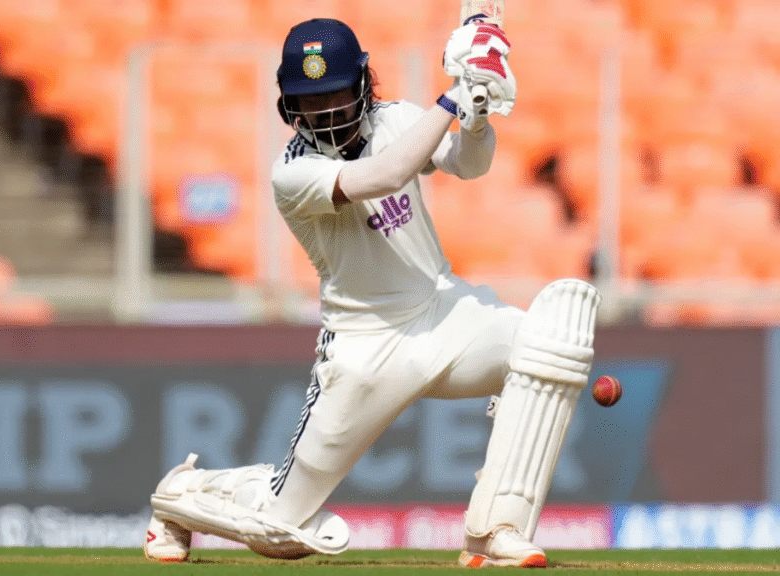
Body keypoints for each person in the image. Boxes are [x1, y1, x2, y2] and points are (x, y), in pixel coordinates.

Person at [143, 16, 600, 568]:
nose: (325, 112)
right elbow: (383, 176)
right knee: (280, 530)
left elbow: (469, 164)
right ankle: (181, 495)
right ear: (289, 106)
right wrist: (455, 94)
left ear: (362, 83)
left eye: (335, 94)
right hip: (364, 349)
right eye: (310, 101)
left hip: (443, 312)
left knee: (547, 344)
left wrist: (478, 113)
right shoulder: (293, 172)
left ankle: (496, 530)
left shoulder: (397, 120)